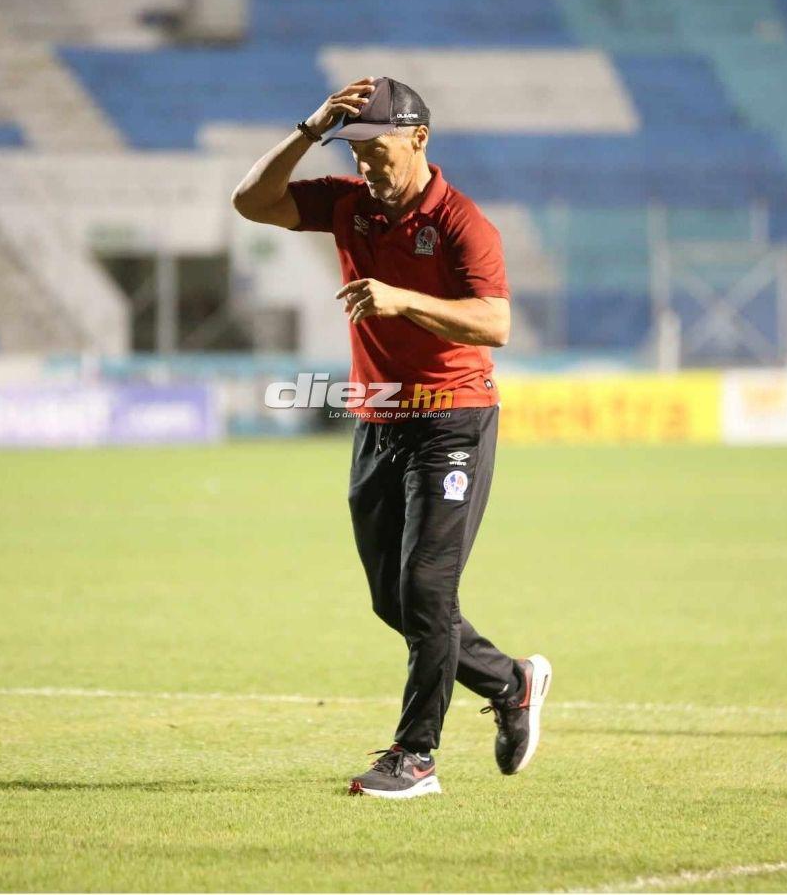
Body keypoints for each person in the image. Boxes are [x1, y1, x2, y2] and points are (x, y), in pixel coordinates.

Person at [231, 76, 551, 799]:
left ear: (418, 139)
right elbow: (250, 201)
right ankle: (511, 681)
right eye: (355, 151)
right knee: (394, 601)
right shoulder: (349, 206)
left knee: (426, 589)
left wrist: (400, 298)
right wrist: (311, 128)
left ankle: (416, 757)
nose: (365, 165)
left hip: (453, 418)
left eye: (377, 149)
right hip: (379, 420)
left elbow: (495, 324)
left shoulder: (465, 223)